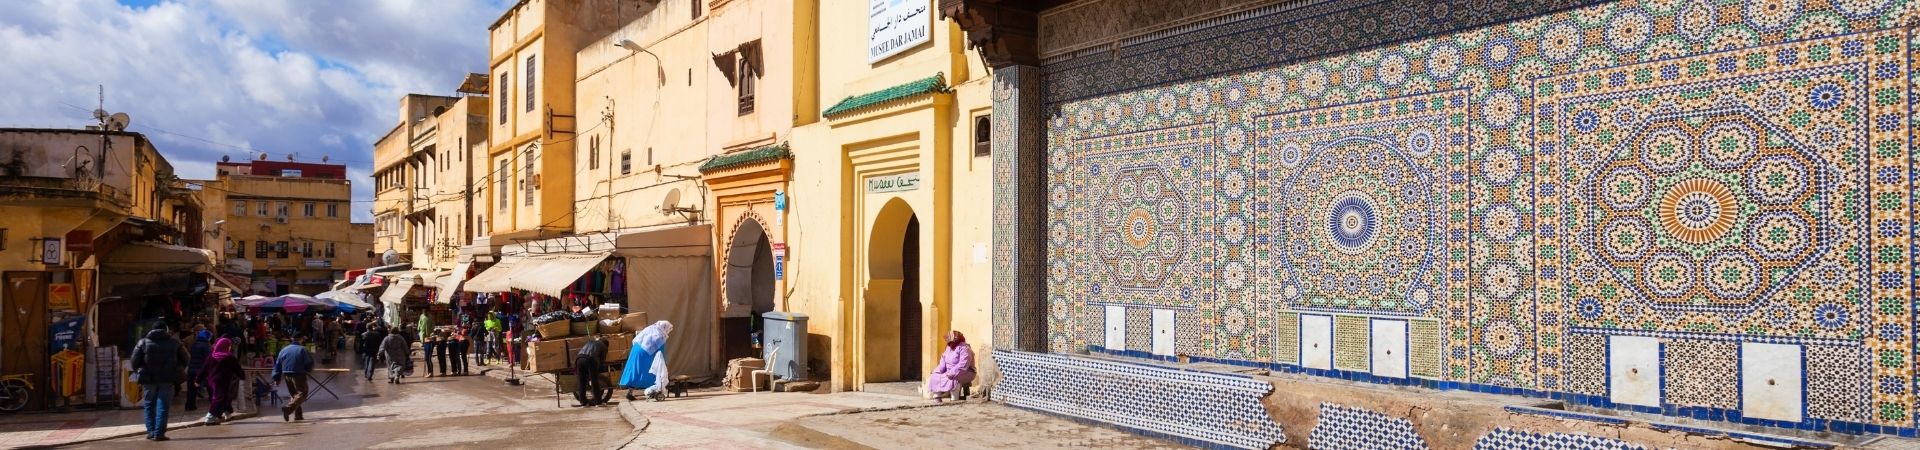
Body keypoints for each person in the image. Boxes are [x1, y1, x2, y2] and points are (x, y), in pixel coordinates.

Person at [130, 327, 186, 441]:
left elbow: (134, 362)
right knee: (163, 406)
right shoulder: (174, 343)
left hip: (148, 379)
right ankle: (159, 433)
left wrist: (140, 370)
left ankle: (151, 431)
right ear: (166, 330)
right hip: (167, 379)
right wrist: (177, 368)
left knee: (149, 405)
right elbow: (186, 358)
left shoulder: (143, 342)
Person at [619, 321, 673, 401]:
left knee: (635, 372)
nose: (668, 331)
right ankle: (653, 391)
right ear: (664, 328)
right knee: (653, 371)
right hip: (645, 353)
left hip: (636, 350)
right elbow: (661, 353)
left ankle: (630, 392)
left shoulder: (650, 329)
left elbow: (636, 339)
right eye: (668, 329)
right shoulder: (660, 336)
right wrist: (664, 363)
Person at [271, 334, 315, 421]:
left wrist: (277, 377)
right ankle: (288, 408)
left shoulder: (284, 350)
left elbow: (277, 365)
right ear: (301, 339)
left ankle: (298, 416)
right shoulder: (302, 349)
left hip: (286, 374)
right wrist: (308, 370)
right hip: (298, 373)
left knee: (294, 395)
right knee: (303, 393)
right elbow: (309, 362)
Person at [199, 337, 243, 425]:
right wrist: (242, 376)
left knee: (224, 397)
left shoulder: (211, 356)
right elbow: (237, 368)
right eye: (229, 345)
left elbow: (204, 369)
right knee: (219, 399)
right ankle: (209, 418)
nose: (230, 347)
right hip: (223, 382)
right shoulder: (230, 357)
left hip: (211, 382)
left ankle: (228, 414)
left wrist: (198, 380)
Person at [926, 330, 977, 402]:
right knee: (934, 376)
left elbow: (963, 365)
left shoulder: (965, 348)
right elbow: (943, 363)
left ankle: (954, 399)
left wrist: (952, 373)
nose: (949, 343)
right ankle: (937, 399)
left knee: (953, 378)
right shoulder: (948, 348)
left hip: (967, 372)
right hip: (949, 372)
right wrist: (936, 372)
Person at [573, 335, 610, 406]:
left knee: (581, 381)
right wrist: (599, 371)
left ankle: (583, 403)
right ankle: (598, 403)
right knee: (594, 381)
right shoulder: (604, 346)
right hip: (590, 359)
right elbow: (602, 361)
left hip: (578, 359)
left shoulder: (590, 342)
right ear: (606, 344)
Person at [185, 330, 212, 411]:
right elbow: (207, 359)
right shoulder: (205, 346)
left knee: (191, 389)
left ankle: (190, 406)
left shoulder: (195, 344)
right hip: (201, 370)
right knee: (210, 386)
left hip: (192, 369)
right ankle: (213, 401)